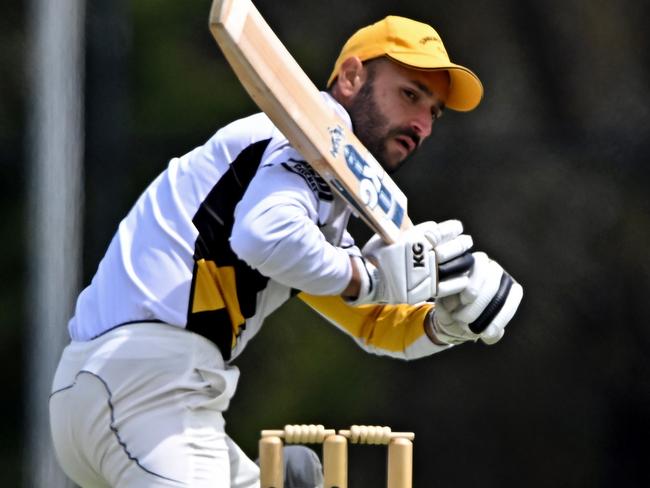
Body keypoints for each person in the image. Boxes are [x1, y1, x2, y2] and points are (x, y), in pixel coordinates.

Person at [49, 14, 523, 488]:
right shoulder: (301, 139)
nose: (422, 124)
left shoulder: (316, 199)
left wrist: (443, 324)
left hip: (128, 392)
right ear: (352, 77)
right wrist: (372, 275)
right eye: (410, 94)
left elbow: (372, 323)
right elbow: (266, 236)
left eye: (434, 113)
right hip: (146, 389)